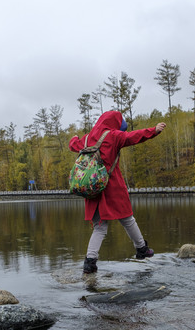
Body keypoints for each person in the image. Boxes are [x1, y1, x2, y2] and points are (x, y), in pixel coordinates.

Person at [69, 111, 166, 274]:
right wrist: (154, 130)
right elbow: (134, 136)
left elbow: (73, 145)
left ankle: (89, 262)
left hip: (93, 189)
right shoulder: (113, 135)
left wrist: (74, 137)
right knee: (127, 219)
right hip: (112, 186)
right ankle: (141, 249)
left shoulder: (86, 138)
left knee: (99, 227)